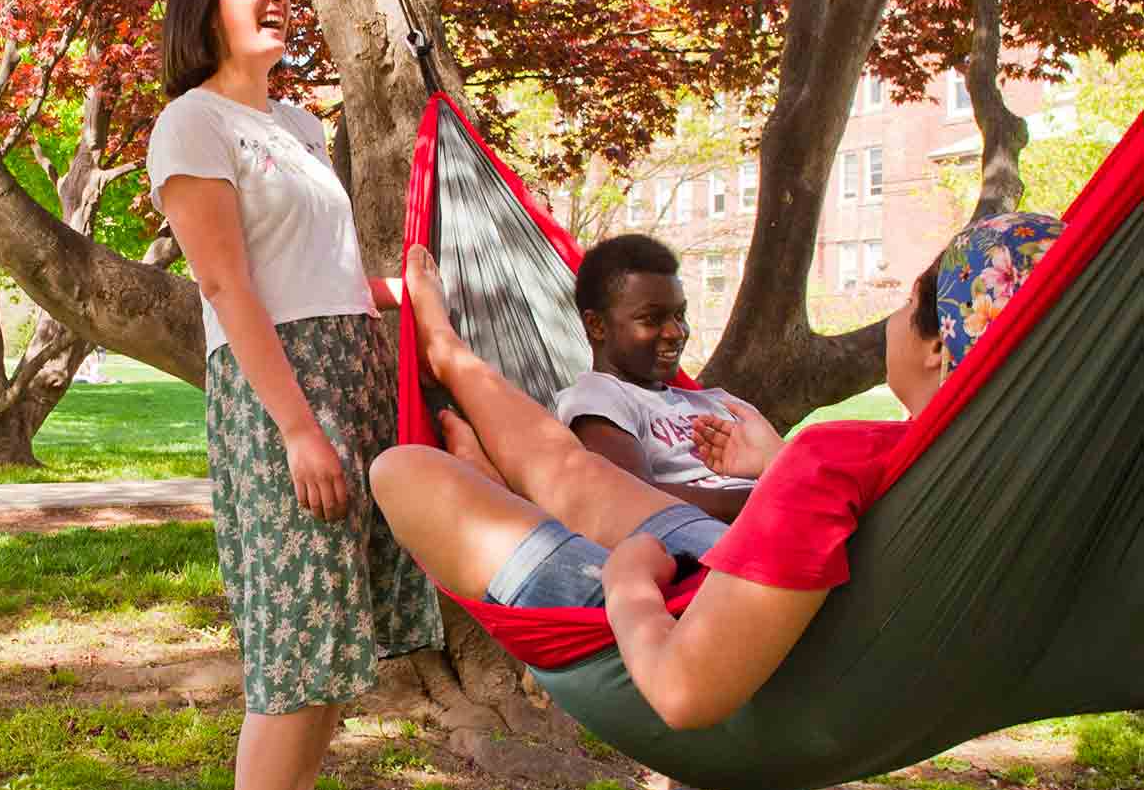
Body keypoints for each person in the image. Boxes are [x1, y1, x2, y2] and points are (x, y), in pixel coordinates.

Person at [372, 213, 1065, 733]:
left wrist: (629, 584)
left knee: (404, 470)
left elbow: (683, 693)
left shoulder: (838, 458)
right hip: (722, 566)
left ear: (938, 346)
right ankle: (459, 374)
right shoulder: (1014, 474)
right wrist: (774, 469)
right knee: (570, 470)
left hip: (680, 615)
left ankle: (463, 400)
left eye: (905, 300)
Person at [147, 0, 442, 790]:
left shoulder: (297, 124)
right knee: (294, 635)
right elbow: (229, 289)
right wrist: (299, 429)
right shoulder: (193, 123)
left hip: (349, 373)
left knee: (339, 622)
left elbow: (316, 271)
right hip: (282, 395)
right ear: (201, 8)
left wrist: (394, 295)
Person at [554, 233, 782, 522]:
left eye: (680, 314)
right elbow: (633, 497)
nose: (676, 332)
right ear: (597, 326)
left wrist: (779, 465)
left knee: (843, 448)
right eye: (651, 319)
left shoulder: (717, 402)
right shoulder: (598, 397)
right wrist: (775, 498)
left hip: (788, 522)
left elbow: (790, 470)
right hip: (724, 544)